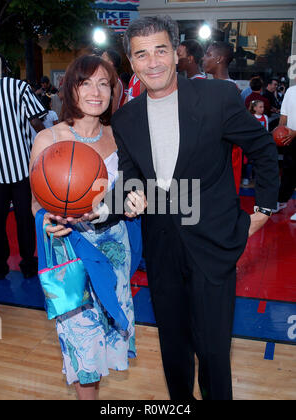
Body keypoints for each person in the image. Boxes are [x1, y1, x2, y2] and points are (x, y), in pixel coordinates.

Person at [110, 16, 279, 400]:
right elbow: (133, 179)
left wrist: (265, 211)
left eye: (160, 50)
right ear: (132, 63)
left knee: (215, 352)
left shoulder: (217, 97)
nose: (152, 62)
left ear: (176, 52)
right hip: (162, 247)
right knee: (173, 348)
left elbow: (263, 149)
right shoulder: (125, 118)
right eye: (141, 54)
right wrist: (121, 200)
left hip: (214, 245)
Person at [29, 54, 144, 400]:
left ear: (114, 90)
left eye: (104, 83)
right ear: (70, 89)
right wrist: (46, 219)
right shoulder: (50, 139)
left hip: (114, 249)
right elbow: (36, 202)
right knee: (83, 347)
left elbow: (134, 186)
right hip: (71, 250)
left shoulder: (119, 135)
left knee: (108, 339)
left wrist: (137, 200)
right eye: (85, 82)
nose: (95, 91)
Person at [0, 57, 46, 280]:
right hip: (22, 167)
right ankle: (28, 264)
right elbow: (37, 121)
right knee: (25, 218)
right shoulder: (20, 87)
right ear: (6, 68)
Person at [202, 41, 242, 194]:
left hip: (227, 156)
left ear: (219, 59)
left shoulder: (231, 89)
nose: (204, 58)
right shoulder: (211, 86)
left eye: (208, 54)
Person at [272, 85, 296, 221]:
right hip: (289, 138)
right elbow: (284, 116)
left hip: (294, 134)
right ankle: (281, 200)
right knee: (288, 171)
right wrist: (279, 131)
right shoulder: (290, 91)